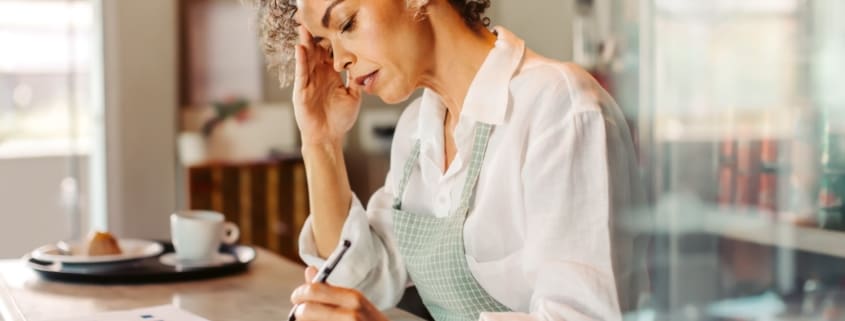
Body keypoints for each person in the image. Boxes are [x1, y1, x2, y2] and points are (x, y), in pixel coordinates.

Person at [247, 0, 644, 320]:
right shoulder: (416, 132)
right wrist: (321, 141)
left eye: (347, 22)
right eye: (326, 44)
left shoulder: (559, 109)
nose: (338, 62)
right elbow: (359, 280)